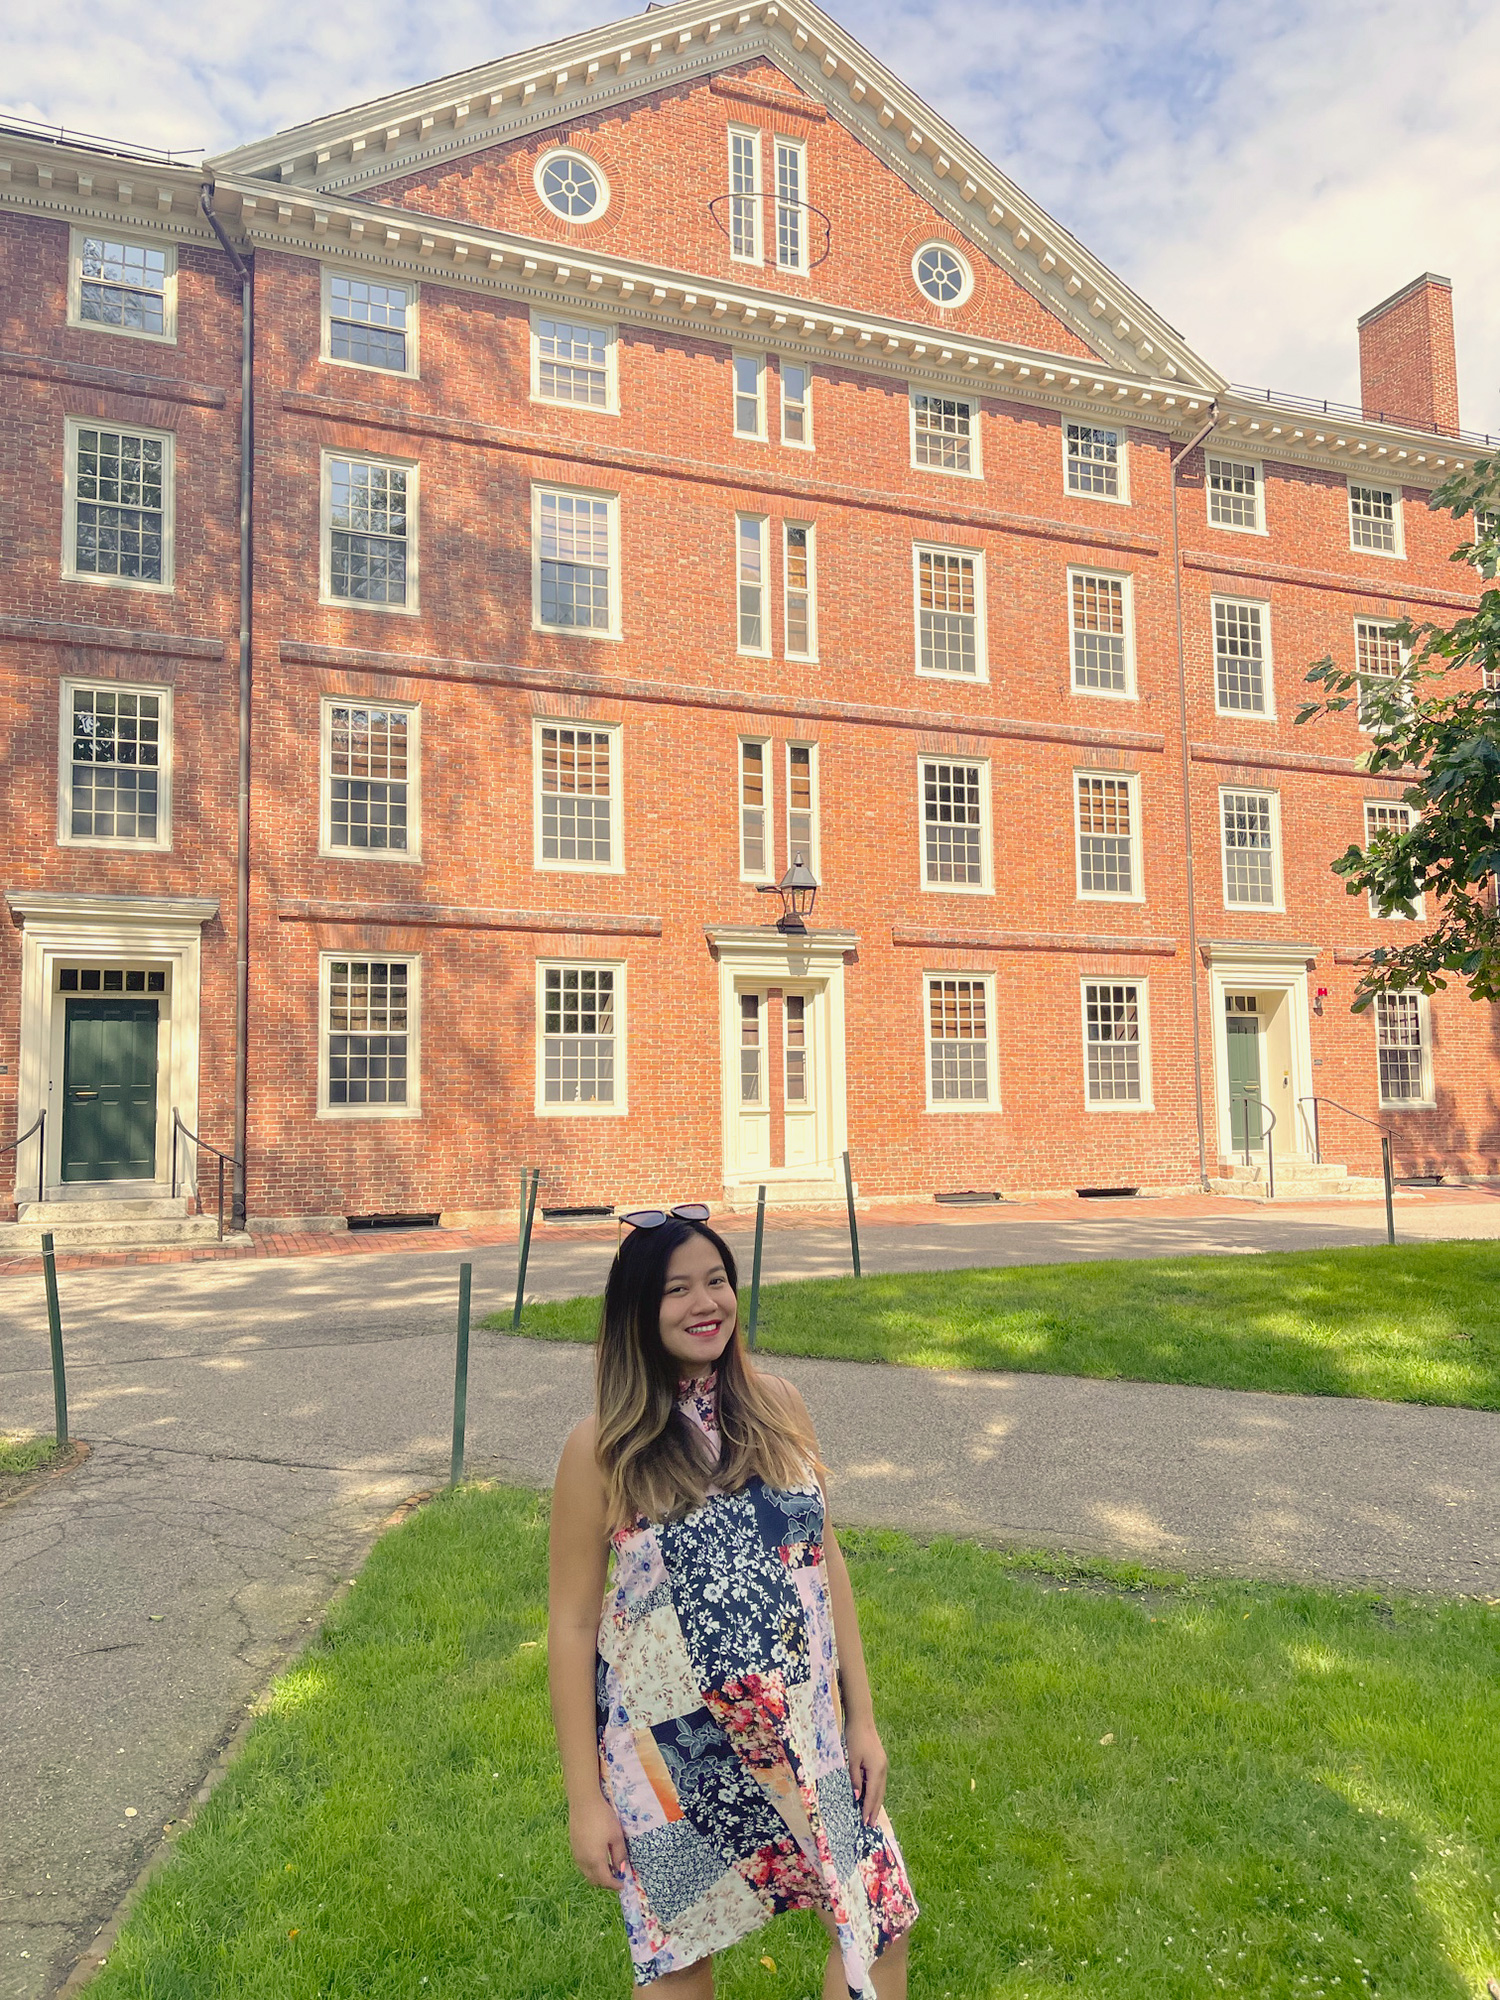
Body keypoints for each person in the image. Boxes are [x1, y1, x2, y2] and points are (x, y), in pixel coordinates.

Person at [548, 1209, 918, 1998]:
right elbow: (573, 1625)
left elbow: (824, 1563)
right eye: (677, 1289)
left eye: (716, 1281)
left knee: (879, 1923)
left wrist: (861, 1718)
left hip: (806, 1729)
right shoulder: (601, 1447)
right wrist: (585, 1799)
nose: (704, 1302)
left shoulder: (781, 1405)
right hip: (674, 1753)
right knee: (684, 1964)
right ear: (639, 1311)